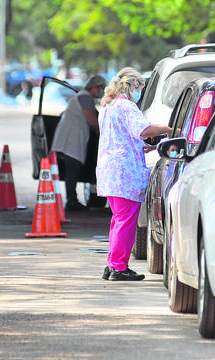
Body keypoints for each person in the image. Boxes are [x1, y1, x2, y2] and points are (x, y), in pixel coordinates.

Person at [97, 67, 172, 281]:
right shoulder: (127, 107)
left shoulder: (108, 106)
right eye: (140, 86)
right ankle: (119, 267)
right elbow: (144, 131)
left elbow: (122, 137)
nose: (140, 91)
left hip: (111, 169)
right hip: (124, 171)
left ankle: (113, 264)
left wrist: (141, 147)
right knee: (125, 221)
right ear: (134, 85)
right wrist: (167, 129)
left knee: (118, 219)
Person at [51, 74, 107, 211]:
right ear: (95, 87)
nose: (101, 92)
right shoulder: (85, 98)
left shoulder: (80, 97)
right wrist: (104, 135)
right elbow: (92, 121)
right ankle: (71, 201)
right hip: (71, 140)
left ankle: (72, 199)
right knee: (72, 169)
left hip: (69, 139)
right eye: (101, 89)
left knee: (72, 169)